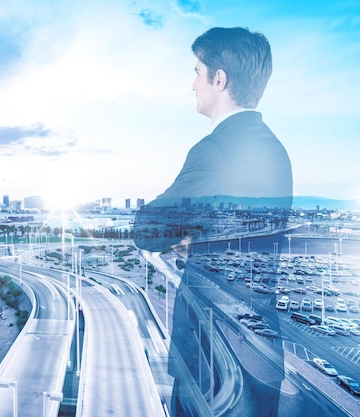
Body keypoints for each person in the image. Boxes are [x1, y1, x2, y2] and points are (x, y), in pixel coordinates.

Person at [134, 27, 293, 417]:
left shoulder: (215, 150)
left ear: (218, 79)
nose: (192, 84)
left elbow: (147, 230)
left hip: (212, 365)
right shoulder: (276, 150)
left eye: (197, 71)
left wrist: (184, 236)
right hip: (260, 355)